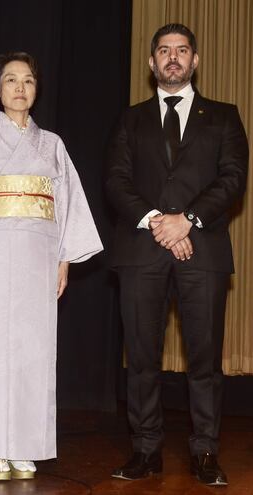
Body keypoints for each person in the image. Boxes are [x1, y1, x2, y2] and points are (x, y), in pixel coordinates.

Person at [106, 23, 248, 486]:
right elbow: (115, 181)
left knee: (204, 360)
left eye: (181, 50)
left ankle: (205, 451)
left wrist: (187, 219)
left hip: (202, 250)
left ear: (195, 60)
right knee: (142, 358)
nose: (172, 58)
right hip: (141, 252)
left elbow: (233, 179)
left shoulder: (224, 116)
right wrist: (157, 221)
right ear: (151, 63)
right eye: (164, 51)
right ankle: (145, 450)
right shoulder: (129, 118)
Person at [0, 52, 102, 480]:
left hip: (40, 250)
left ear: (36, 90)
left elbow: (69, 204)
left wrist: (63, 259)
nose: (20, 88)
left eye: (28, 81)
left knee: (35, 348)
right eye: (11, 80)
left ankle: (25, 445)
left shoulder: (52, 144)